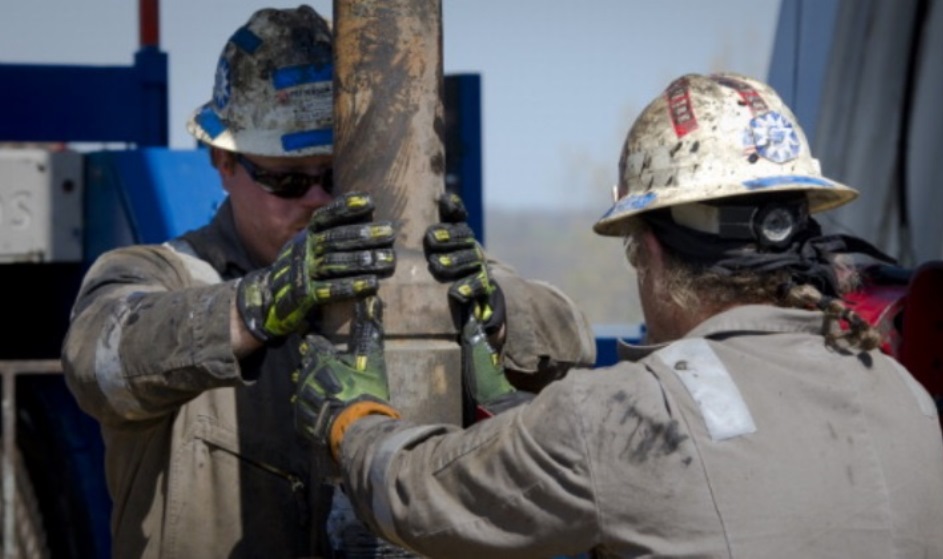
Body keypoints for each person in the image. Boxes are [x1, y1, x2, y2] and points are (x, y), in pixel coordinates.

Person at [294, 72, 943, 558]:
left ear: (647, 250)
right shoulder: (900, 392)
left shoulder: (627, 415)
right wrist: (511, 420)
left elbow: (415, 498)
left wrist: (352, 424)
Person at [60, 6, 594, 558]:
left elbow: (572, 341)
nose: (317, 200)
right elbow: (97, 363)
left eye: (335, 175)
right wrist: (258, 305)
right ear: (224, 161)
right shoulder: (161, 274)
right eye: (288, 180)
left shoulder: (424, 270)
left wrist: (499, 312)